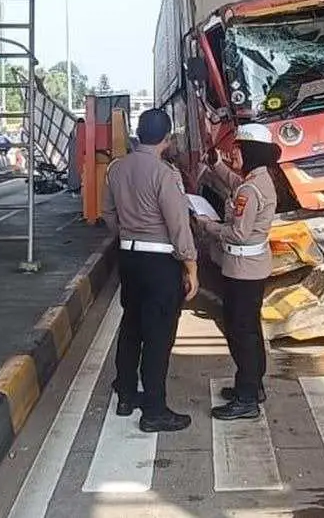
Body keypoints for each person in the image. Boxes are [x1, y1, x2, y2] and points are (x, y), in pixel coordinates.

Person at [102, 108, 199, 432]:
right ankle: (155, 410)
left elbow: (109, 213)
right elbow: (178, 223)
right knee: (158, 336)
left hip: (129, 259)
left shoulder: (116, 169)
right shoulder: (164, 173)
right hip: (159, 263)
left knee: (131, 326)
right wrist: (191, 265)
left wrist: (128, 235)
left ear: (139, 134)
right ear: (167, 139)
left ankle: (126, 395)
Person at [195, 124, 280, 420]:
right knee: (251, 330)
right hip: (254, 268)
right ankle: (253, 387)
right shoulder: (259, 180)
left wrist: (208, 225)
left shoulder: (250, 188)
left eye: (238, 148)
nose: (234, 152)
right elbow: (235, 185)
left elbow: (238, 234)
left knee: (240, 332)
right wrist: (216, 165)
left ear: (251, 152)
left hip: (241, 270)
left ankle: (246, 399)